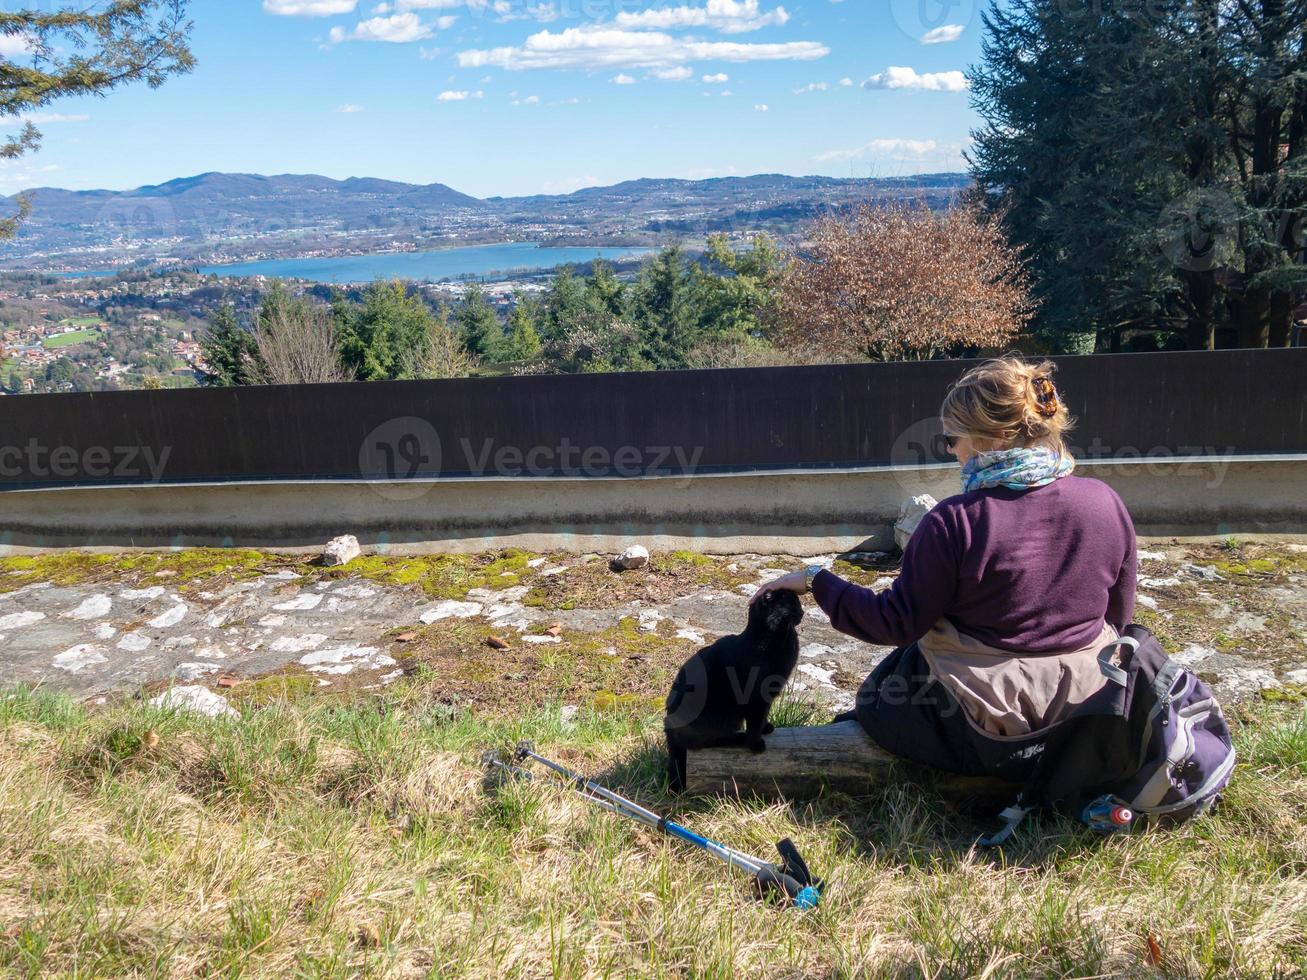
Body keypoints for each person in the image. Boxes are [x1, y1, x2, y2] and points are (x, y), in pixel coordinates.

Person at [753, 355, 1138, 781]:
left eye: (953, 438)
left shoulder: (955, 520)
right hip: (1086, 700)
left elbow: (895, 622)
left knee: (886, 689)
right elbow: (1118, 616)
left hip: (990, 719)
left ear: (996, 438)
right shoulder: (1106, 501)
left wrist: (815, 580)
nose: (951, 449)